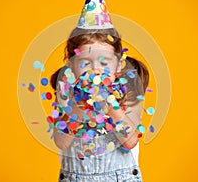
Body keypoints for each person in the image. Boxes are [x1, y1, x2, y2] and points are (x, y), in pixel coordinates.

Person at [49, 27, 149, 182]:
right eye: (85, 62)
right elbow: (61, 142)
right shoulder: (66, 95)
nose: (96, 69)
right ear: (72, 67)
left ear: (117, 66)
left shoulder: (127, 94)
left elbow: (130, 141)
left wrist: (110, 105)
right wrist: (79, 105)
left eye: (104, 62)